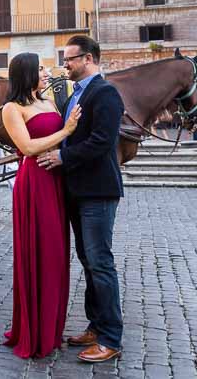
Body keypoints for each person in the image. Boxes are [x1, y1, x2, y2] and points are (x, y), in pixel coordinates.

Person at [0, 53, 79, 359]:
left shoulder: (48, 102)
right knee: (41, 253)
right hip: (35, 183)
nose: (46, 73)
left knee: (57, 255)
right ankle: (35, 330)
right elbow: (27, 147)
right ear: (27, 73)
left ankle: (52, 326)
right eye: (41, 69)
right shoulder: (12, 108)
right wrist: (66, 131)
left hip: (56, 180)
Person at [57, 35, 125, 363]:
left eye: (70, 59)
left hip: (98, 191)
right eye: (65, 58)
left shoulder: (106, 92)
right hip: (78, 190)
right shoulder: (76, 94)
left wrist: (61, 158)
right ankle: (95, 326)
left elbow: (101, 142)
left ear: (89, 59)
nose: (65, 64)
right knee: (88, 262)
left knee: (100, 263)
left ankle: (111, 337)